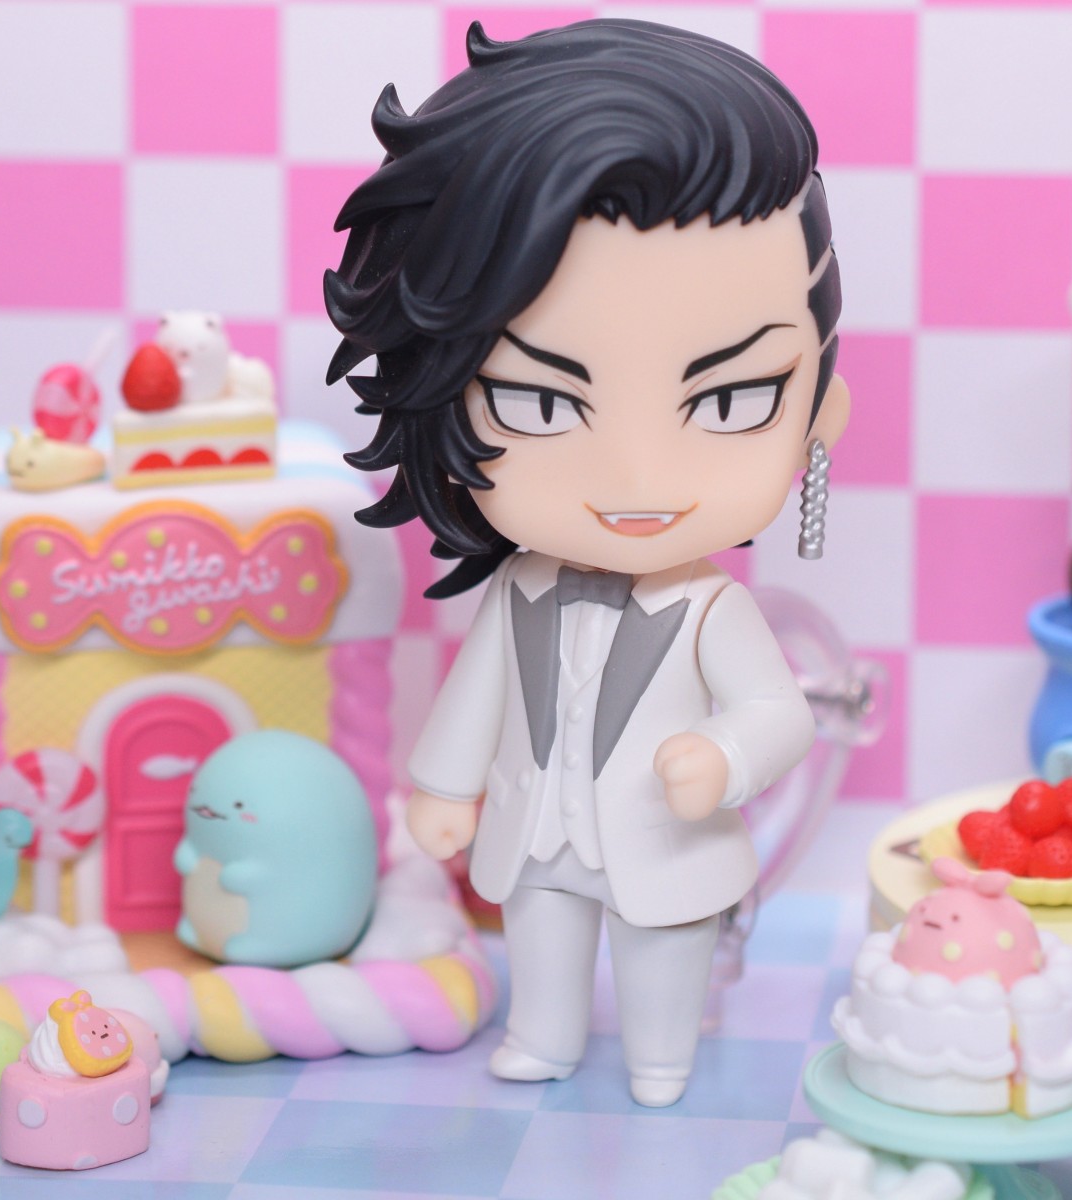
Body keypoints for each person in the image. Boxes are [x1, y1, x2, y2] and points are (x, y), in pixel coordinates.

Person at [325, 18, 848, 1107]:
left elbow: (780, 713)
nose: (636, 476)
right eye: (538, 403)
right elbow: (476, 698)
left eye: (731, 401)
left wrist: (722, 757)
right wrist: (445, 787)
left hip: (665, 841)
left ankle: (660, 1056)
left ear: (818, 409)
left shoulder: (708, 610)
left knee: (663, 953)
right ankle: (545, 1036)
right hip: (535, 832)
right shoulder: (519, 590)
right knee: (543, 940)